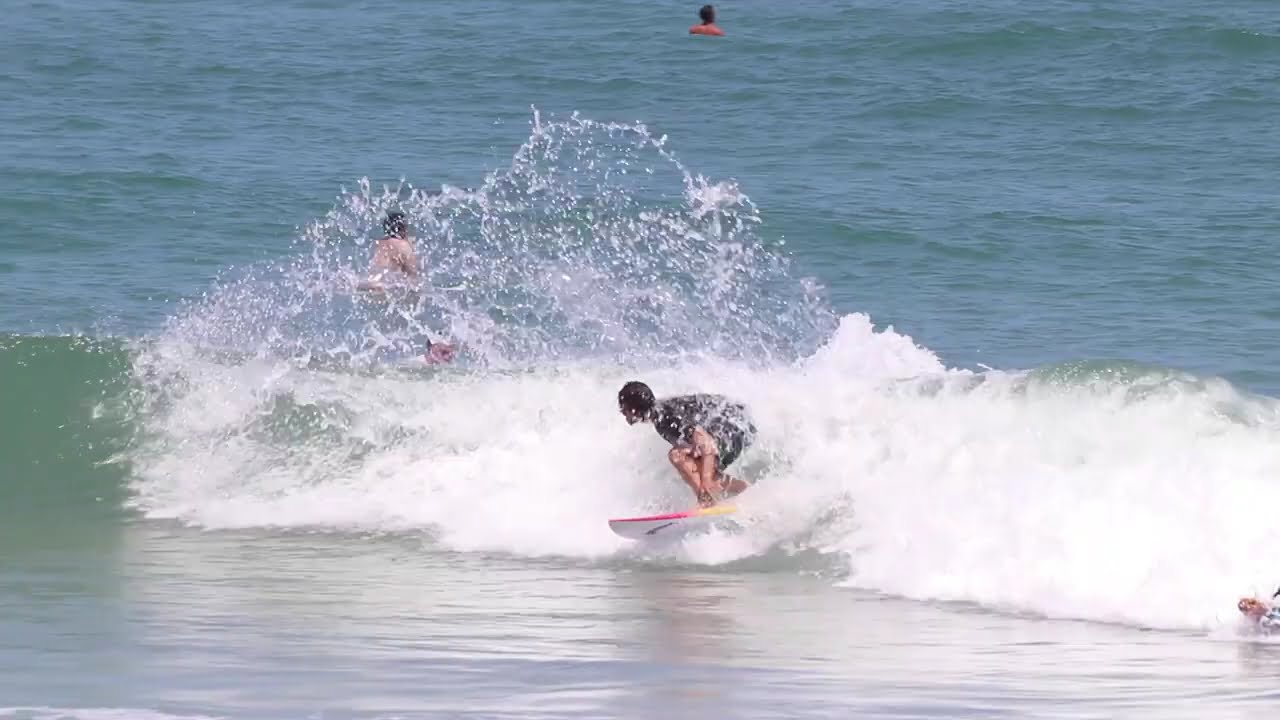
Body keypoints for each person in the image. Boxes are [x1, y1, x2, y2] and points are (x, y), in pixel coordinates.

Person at [618, 381, 756, 507]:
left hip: (735, 428)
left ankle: (707, 500)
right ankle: (748, 493)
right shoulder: (660, 416)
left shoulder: (666, 417)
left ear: (633, 409)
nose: (624, 415)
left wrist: (706, 480)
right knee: (691, 461)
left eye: (623, 410)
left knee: (678, 456)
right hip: (737, 426)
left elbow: (707, 444)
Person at [363, 210, 456, 364]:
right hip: (391, 291)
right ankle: (434, 358)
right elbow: (413, 275)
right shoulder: (402, 245)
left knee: (386, 335)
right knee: (437, 318)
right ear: (402, 227)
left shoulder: (379, 245)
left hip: (372, 291)